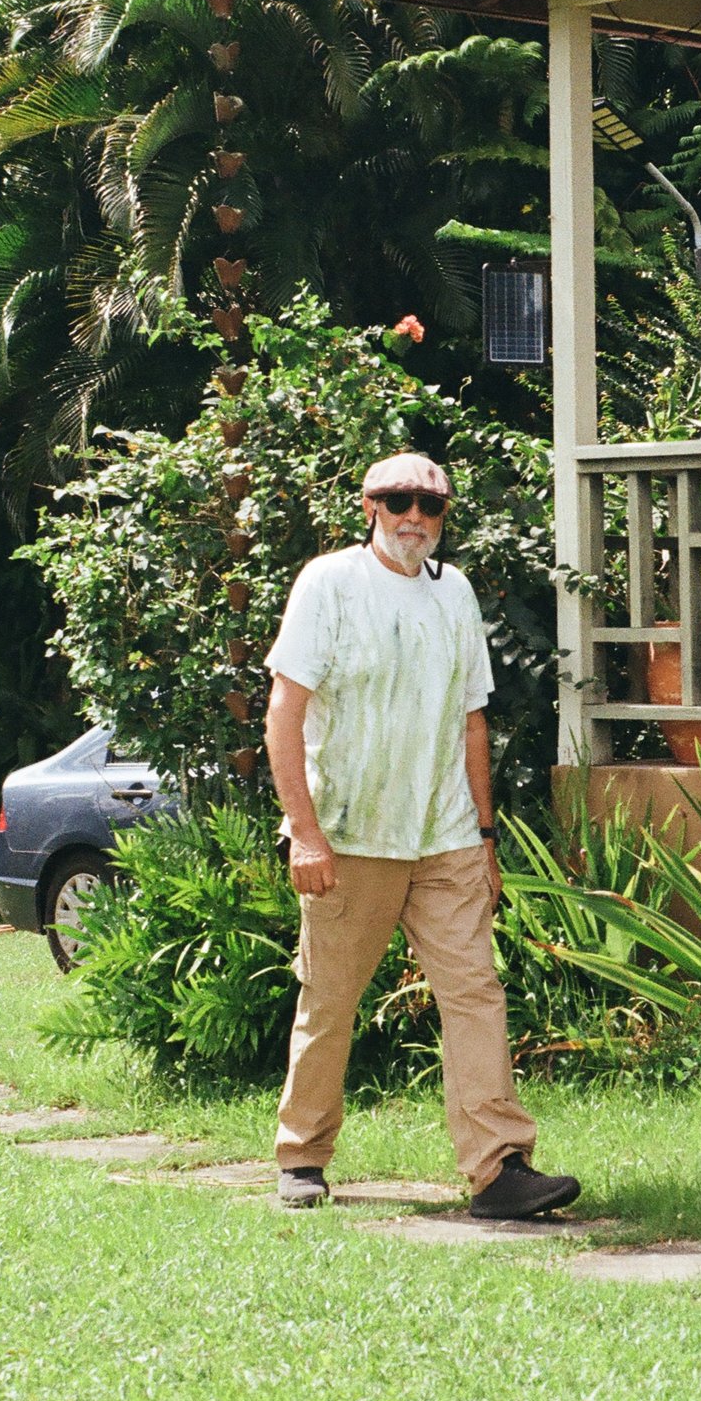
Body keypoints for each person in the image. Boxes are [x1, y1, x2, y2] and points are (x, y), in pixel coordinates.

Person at [262, 451, 580, 1219]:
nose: (415, 516)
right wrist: (305, 833)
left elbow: (473, 720)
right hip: (351, 834)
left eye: (431, 505)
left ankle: (499, 1168)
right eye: (399, 500)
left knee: (474, 992)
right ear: (369, 506)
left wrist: (485, 835)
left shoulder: (457, 593)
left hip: (444, 836)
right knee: (330, 999)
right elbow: (284, 712)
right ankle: (302, 1155)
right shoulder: (329, 583)